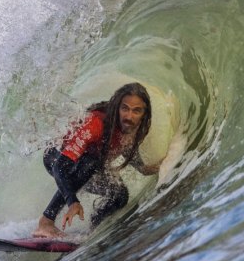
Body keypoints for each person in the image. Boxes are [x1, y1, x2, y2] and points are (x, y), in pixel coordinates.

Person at [34, 82, 161, 238]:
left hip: (87, 165)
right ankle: (45, 222)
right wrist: (72, 201)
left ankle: (93, 229)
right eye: (124, 108)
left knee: (119, 195)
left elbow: (127, 149)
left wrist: (150, 167)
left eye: (137, 111)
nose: (129, 116)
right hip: (56, 157)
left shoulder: (136, 127)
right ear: (117, 108)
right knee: (91, 163)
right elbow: (60, 166)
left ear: (144, 113)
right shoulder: (96, 124)